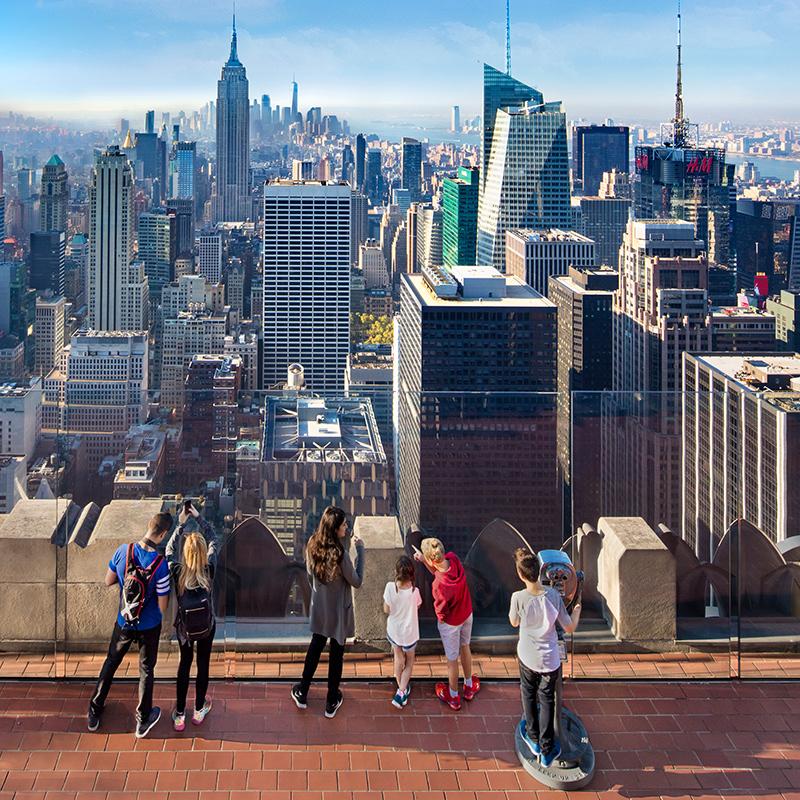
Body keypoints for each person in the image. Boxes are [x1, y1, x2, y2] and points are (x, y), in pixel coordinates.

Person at [87, 512, 173, 738]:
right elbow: (163, 605)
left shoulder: (123, 551)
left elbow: (108, 581)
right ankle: (143, 719)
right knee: (146, 670)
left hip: (124, 621)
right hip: (149, 625)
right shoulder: (161, 565)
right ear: (163, 534)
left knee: (111, 662)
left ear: (148, 526)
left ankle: (94, 711)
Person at [509, 548, 581, 768]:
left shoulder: (518, 597)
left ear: (521, 575)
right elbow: (568, 627)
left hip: (527, 655)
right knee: (547, 699)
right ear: (540, 572)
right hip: (550, 659)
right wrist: (577, 610)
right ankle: (548, 750)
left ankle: (533, 738)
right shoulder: (552, 596)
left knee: (528, 693)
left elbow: (514, 622)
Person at [291, 506, 365, 718]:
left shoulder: (312, 544)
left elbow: (309, 577)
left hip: (320, 608)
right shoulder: (341, 556)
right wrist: (360, 551)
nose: (347, 527)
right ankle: (331, 699)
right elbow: (357, 581)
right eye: (343, 525)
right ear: (335, 530)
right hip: (339, 612)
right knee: (336, 654)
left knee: (315, 647)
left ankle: (303, 691)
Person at [165, 501, 219, 731]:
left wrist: (180, 524)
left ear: (185, 554)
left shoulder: (177, 572)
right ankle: (198, 709)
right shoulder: (209, 570)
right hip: (206, 625)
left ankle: (179, 714)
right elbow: (215, 538)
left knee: (184, 665)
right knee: (203, 664)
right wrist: (199, 517)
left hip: (184, 628)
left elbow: (168, 550)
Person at [414, 537, 479, 711]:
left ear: (430, 559)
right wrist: (424, 560)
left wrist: (441, 618)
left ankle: (454, 696)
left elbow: (441, 609)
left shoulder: (438, 585)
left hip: (451, 623)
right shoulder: (455, 560)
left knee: (452, 660)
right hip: (467, 614)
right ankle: (468, 686)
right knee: (465, 646)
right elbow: (440, 569)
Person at [383, 555, 422, 709]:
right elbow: (417, 606)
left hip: (394, 631)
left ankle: (401, 686)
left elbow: (386, 609)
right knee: (409, 662)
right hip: (410, 633)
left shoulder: (390, 587)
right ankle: (401, 692)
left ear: (396, 572)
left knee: (398, 659)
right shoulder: (415, 591)